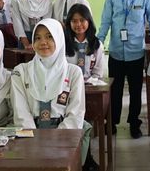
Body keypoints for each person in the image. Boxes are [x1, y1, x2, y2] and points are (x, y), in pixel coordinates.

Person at [11, 19, 98, 170]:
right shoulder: (21, 71)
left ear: (59, 38)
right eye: (37, 38)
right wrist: (35, 142)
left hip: (65, 137)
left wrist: (55, 142)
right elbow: (21, 113)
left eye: (49, 36)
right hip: (29, 136)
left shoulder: (73, 72)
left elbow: (75, 113)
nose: (43, 42)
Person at [98, 0, 150, 139]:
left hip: (136, 52)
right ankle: (112, 123)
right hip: (116, 52)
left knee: (135, 91)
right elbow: (105, 21)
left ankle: (134, 123)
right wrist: (99, 42)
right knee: (115, 90)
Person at [65, 4, 104, 80]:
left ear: (89, 21)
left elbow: (98, 73)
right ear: (69, 23)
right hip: (68, 85)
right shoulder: (63, 43)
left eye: (82, 20)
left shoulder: (97, 44)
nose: (78, 24)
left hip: (90, 86)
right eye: (74, 21)